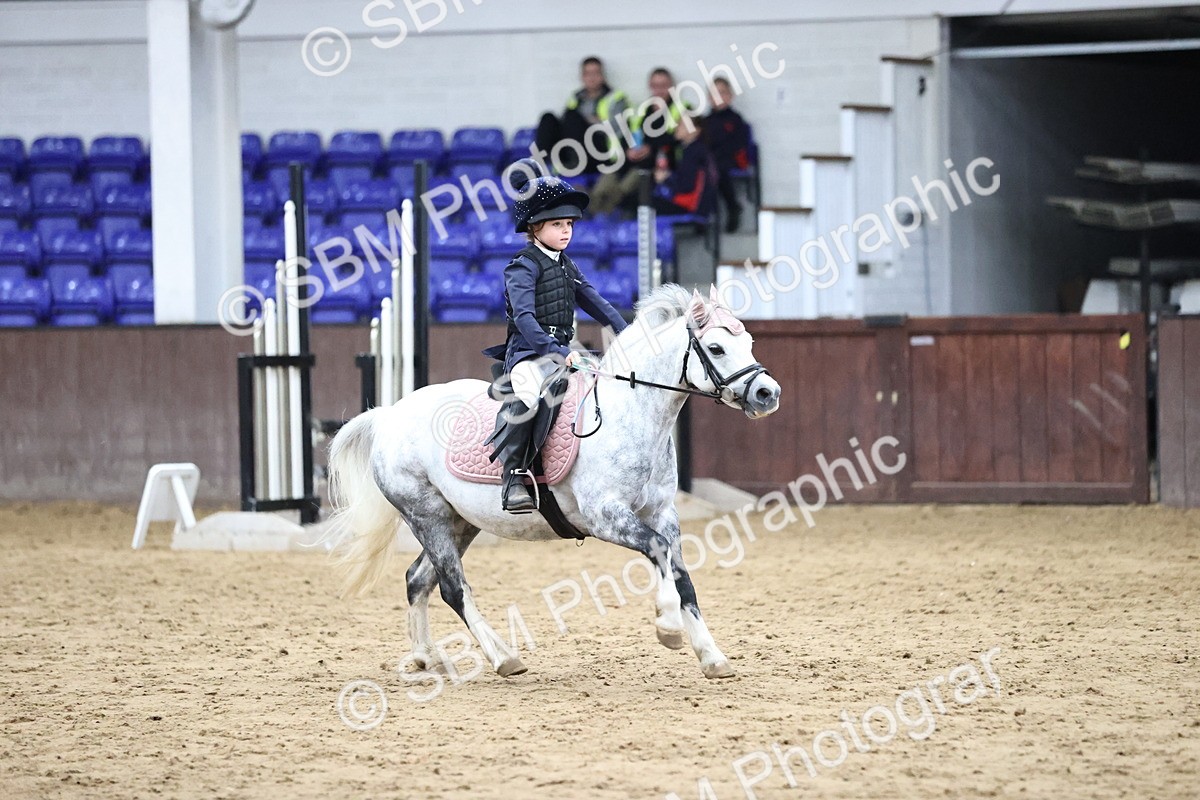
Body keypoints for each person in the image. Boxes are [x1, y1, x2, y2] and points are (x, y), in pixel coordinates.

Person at [482, 158, 629, 513]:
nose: (566, 231)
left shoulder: (567, 265)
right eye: (558, 224)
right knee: (530, 395)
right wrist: (557, 352)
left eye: (569, 224)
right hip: (528, 354)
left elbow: (596, 302)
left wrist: (628, 334)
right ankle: (513, 476)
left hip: (563, 350)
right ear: (534, 227)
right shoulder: (522, 266)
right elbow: (525, 319)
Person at [590, 67, 693, 215]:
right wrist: (629, 150)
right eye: (655, 85)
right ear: (650, 87)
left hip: (659, 165)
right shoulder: (641, 111)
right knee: (601, 188)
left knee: (621, 191)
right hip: (629, 162)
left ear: (672, 86)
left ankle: (604, 219)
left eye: (664, 85)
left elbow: (680, 138)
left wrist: (650, 148)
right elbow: (628, 135)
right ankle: (593, 214)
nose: (659, 90)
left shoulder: (683, 108)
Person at [535, 56, 629, 174]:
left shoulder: (616, 98)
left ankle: (575, 160)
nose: (592, 78)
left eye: (595, 73)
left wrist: (593, 122)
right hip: (573, 146)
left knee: (573, 116)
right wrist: (589, 120)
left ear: (602, 75)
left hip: (599, 150)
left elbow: (617, 129)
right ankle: (541, 163)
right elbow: (567, 124)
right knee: (548, 117)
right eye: (588, 74)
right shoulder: (575, 98)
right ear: (582, 77)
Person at [705, 76, 751, 233]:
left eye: (722, 92)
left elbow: (738, 144)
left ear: (730, 96)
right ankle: (702, 213)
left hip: (730, 160)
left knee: (717, 167)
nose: (719, 97)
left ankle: (732, 207)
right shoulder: (705, 121)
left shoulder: (736, 120)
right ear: (709, 98)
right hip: (711, 161)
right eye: (714, 93)